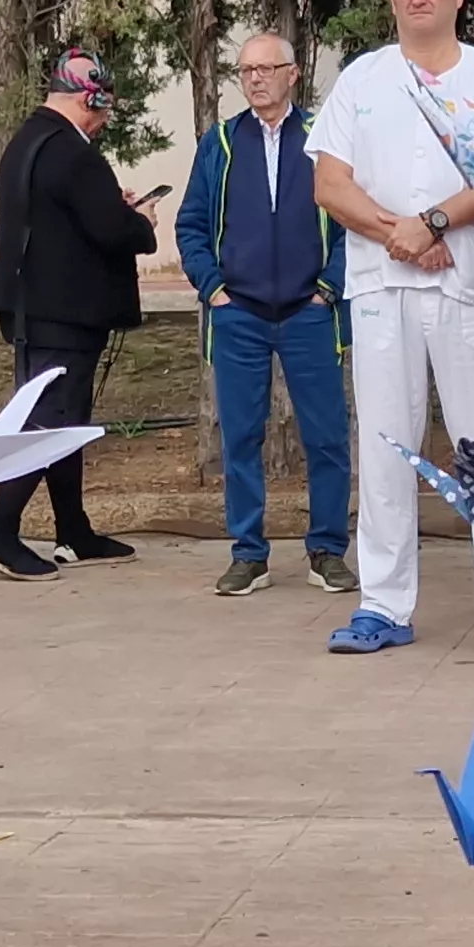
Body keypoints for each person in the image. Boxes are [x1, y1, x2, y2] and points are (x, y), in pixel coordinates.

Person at [310, 0, 474, 656]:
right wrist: (400, 234)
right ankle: (383, 603)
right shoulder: (362, 78)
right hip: (383, 288)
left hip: (471, 286)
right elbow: (330, 184)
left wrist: (436, 222)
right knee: (385, 447)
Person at [175, 32, 352, 598]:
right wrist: (213, 289)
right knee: (242, 438)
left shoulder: (324, 139)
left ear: (292, 74)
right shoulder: (221, 144)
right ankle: (249, 553)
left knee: (325, 436)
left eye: (266, 68)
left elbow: (353, 221)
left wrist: (330, 288)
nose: (254, 79)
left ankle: (327, 550)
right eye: (245, 70)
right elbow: (191, 225)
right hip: (239, 315)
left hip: (309, 312)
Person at [0, 46, 159, 579]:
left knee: (66, 420)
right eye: (103, 110)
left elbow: (64, 218)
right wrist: (141, 220)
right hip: (63, 310)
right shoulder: (74, 153)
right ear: (89, 100)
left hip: (33, 303)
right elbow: (111, 230)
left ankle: (72, 531)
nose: (103, 122)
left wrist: (107, 205)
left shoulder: (29, 141)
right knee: (48, 421)